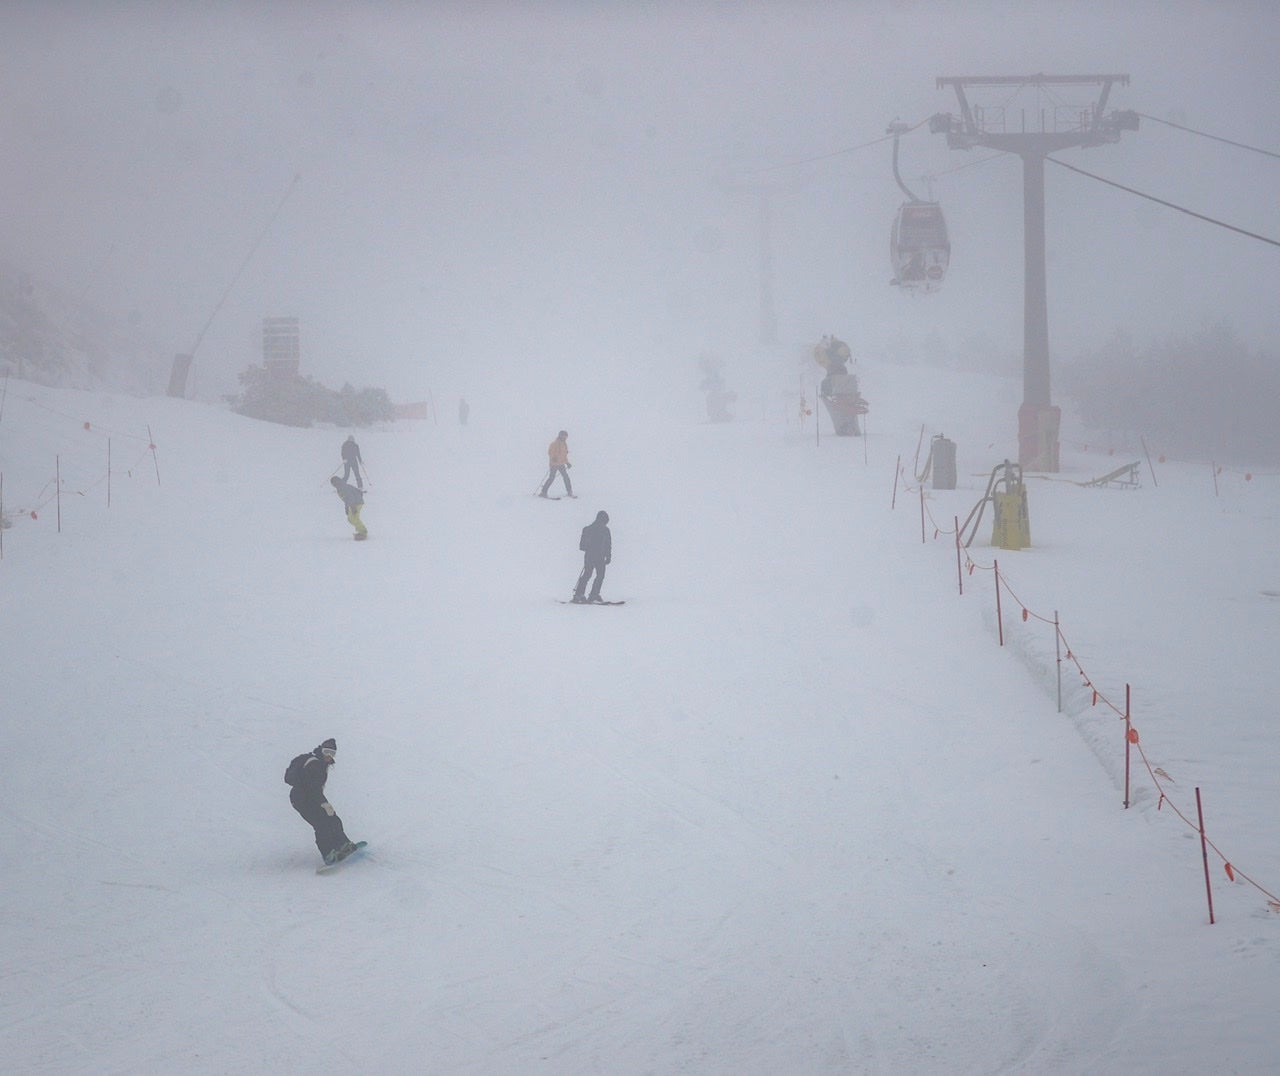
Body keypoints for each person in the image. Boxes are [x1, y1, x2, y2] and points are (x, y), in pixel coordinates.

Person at [284, 738, 359, 866]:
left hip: (312, 797)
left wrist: (323, 803)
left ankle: (343, 844)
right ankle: (329, 854)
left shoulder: (320, 764)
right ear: (321, 750)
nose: (329, 756)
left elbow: (315, 789)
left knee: (332, 818)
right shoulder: (315, 764)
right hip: (301, 799)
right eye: (327, 751)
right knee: (321, 824)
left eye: (332, 753)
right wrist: (324, 803)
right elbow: (311, 787)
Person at [572, 510, 611, 603]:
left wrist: (608, 555)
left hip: (595, 556)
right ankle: (586, 594)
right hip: (595, 556)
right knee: (593, 575)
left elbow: (608, 545)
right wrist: (608, 556)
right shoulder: (596, 530)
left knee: (593, 575)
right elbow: (582, 546)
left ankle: (586, 594)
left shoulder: (595, 530)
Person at [330, 475, 368, 539]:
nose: (333, 485)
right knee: (350, 519)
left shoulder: (342, 487)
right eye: (332, 484)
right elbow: (346, 499)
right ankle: (360, 530)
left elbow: (350, 496)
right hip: (353, 503)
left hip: (356, 503)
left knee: (354, 518)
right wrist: (347, 508)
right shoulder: (340, 487)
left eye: (334, 483)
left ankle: (363, 532)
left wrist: (353, 507)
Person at [539, 429, 574, 498]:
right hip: (554, 464)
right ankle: (543, 492)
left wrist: (567, 463)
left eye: (566, 437)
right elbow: (550, 452)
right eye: (563, 436)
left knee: (566, 477)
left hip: (561, 464)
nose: (565, 438)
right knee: (551, 478)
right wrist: (553, 458)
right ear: (560, 436)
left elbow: (564, 455)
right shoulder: (554, 443)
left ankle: (569, 491)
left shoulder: (564, 444)